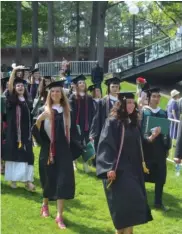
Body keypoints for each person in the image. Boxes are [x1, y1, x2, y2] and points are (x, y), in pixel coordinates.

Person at [96, 91, 153, 234]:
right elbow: (105, 145)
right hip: (118, 170)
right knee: (127, 208)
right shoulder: (113, 122)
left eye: (133, 102)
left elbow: (140, 144)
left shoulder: (133, 123)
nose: (131, 105)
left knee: (129, 209)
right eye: (128, 102)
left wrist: (152, 137)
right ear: (121, 104)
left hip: (134, 169)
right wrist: (108, 167)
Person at [32, 80, 82, 229]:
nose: (55, 94)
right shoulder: (44, 109)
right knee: (48, 179)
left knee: (63, 181)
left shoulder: (67, 111)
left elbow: (73, 132)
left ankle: (60, 216)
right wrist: (40, 119)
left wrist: (77, 147)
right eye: (52, 91)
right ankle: (45, 204)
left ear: (62, 94)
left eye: (58, 91)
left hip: (64, 151)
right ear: (49, 94)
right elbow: (36, 132)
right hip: (48, 150)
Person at [141, 88, 171, 211]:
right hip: (147, 148)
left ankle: (158, 202)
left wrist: (167, 145)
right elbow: (141, 129)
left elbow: (167, 132)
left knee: (160, 176)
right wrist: (148, 137)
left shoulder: (163, 113)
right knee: (143, 175)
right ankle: (142, 202)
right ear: (149, 98)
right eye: (154, 96)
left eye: (158, 96)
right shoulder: (144, 112)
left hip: (159, 149)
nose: (156, 99)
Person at [4, 77, 35, 190]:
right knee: (14, 155)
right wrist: (14, 71)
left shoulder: (27, 101)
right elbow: (10, 86)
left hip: (26, 133)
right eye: (18, 86)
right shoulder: (11, 100)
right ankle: (13, 179)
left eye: (22, 85)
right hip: (14, 133)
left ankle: (27, 180)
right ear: (14, 88)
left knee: (27, 155)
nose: (20, 87)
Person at [69, 74, 95, 172]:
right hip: (76, 125)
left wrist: (91, 124)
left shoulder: (89, 97)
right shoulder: (73, 97)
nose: (82, 84)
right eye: (80, 83)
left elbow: (92, 111)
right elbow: (71, 112)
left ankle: (85, 164)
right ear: (76, 85)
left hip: (86, 125)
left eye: (83, 82)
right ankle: (74, 163)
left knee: (86, 145)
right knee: (76, 144)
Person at [89, 77, 121, 147]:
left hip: (119, 131)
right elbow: (97, 117)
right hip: (106, 131)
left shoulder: (122, 101)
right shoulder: (103, 101)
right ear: (109, 87)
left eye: (117, 87)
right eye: (113, 87)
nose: (115, 89)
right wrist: (93, 133)